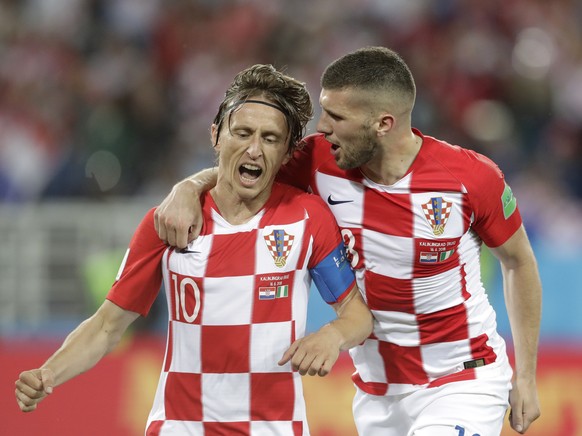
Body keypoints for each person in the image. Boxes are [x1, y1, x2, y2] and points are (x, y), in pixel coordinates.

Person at [153, 47, 542, 435]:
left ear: (383, 124)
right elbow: (242, 171)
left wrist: (525, 376)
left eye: (337, 116)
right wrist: (187, 187)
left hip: (462, 379)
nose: (322, 127)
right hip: (376, 395)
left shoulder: (470, 178)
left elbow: (518, 261)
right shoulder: (318, 161)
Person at [15, 64, 373, 435]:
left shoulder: (307, 218)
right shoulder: (169, 222)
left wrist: (332, 336)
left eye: (269, 138)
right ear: (216, 135)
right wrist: (48, 372)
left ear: (286, 154)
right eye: (243, 132)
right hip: (180, 427)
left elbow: (358, 316)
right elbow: (107, 327)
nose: (254, 148)